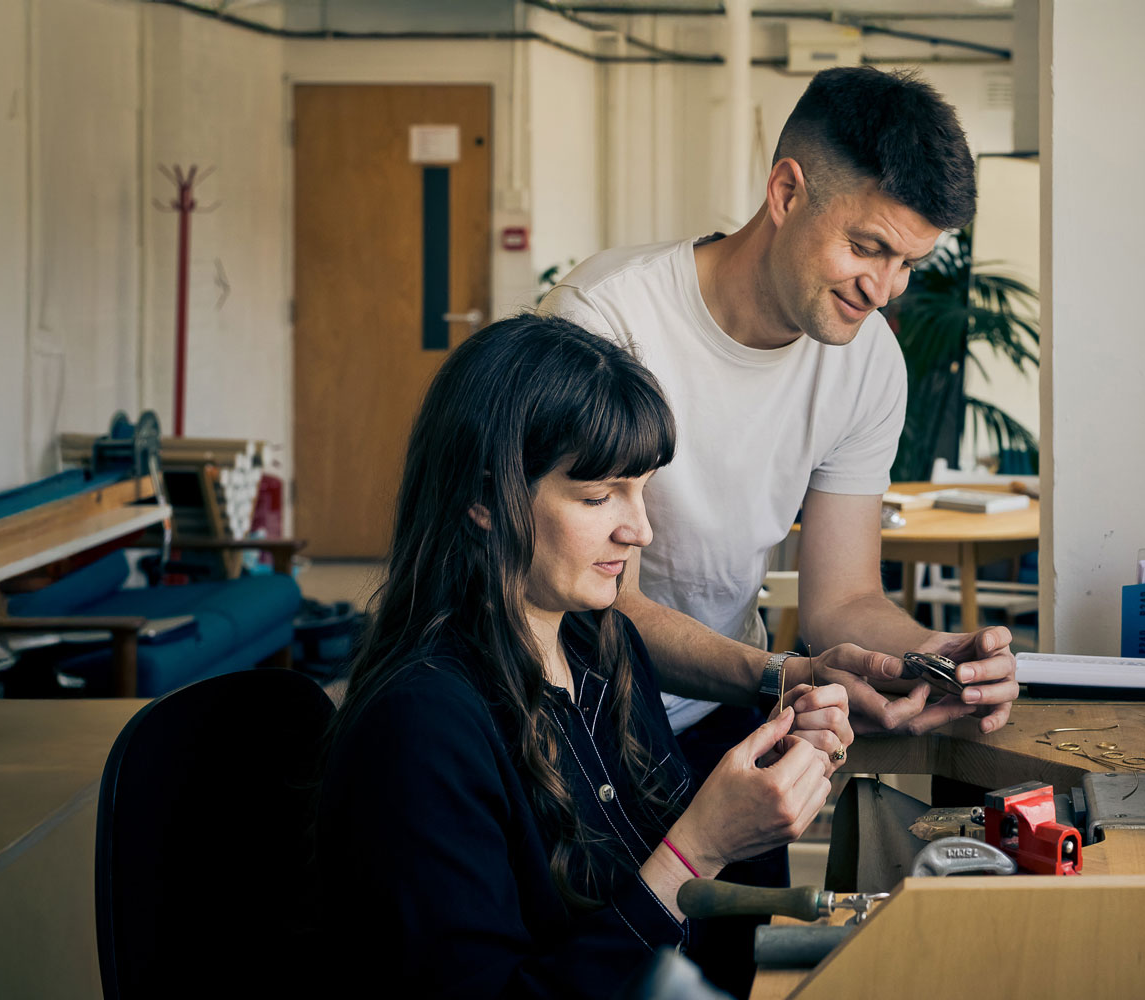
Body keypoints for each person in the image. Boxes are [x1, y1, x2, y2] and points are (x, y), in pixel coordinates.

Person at [315, 315, 853, 998]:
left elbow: (662, 918)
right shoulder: (421, 728)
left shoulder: (604, 646)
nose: (641, 530)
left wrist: (771, 781)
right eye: (599, 496)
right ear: (485, 497)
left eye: (641, 488)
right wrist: (701, 848)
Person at [538, 67, 1018, 765]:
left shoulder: (868, 361)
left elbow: (843, 598)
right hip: (577, 712)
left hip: (729, 706)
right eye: (867, 247)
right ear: (787, 193)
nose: (883, 291)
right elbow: (604, 608)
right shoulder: (606, 322)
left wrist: (933, 656)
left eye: (909, 263)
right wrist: (782, 676)